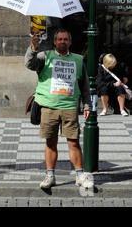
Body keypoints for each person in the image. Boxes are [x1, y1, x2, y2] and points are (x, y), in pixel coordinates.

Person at [25, 29, 94, 189]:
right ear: (55, 42)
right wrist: (33, 48)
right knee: (50, 142)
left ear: (70, 42)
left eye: (65, 39)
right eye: (60, 39)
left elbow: (84, 85)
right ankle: (50, 175)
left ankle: (80, 175)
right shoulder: (45, 56)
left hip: (69, 106)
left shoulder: (77, 59)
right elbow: (30, 64)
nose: (62, 42)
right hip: (48, 107)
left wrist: (87, 104)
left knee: (74, 142)